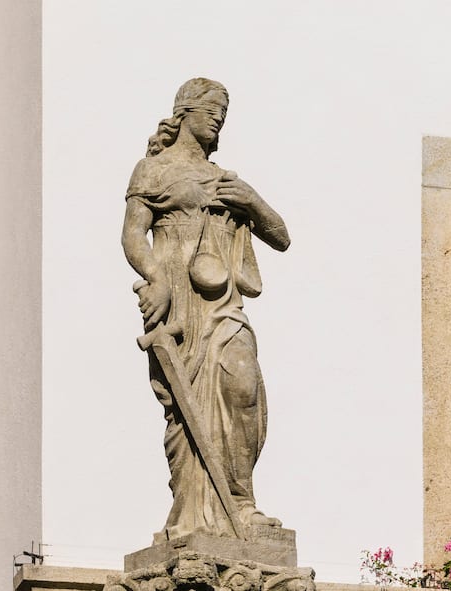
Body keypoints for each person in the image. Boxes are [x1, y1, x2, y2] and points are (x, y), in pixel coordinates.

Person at [121, 78, 289, 541]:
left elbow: (281, 236)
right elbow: (133, 234)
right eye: (211, 109)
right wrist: (155, 279)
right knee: (186, 407)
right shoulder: (151, 171)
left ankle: (242, 501)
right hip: (177, 302)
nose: (218, 118)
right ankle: (194, 510)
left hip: (224, 304)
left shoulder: (229, 181)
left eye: (223, 112)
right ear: (184, 113)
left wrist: (252, 201)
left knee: (243, 385)